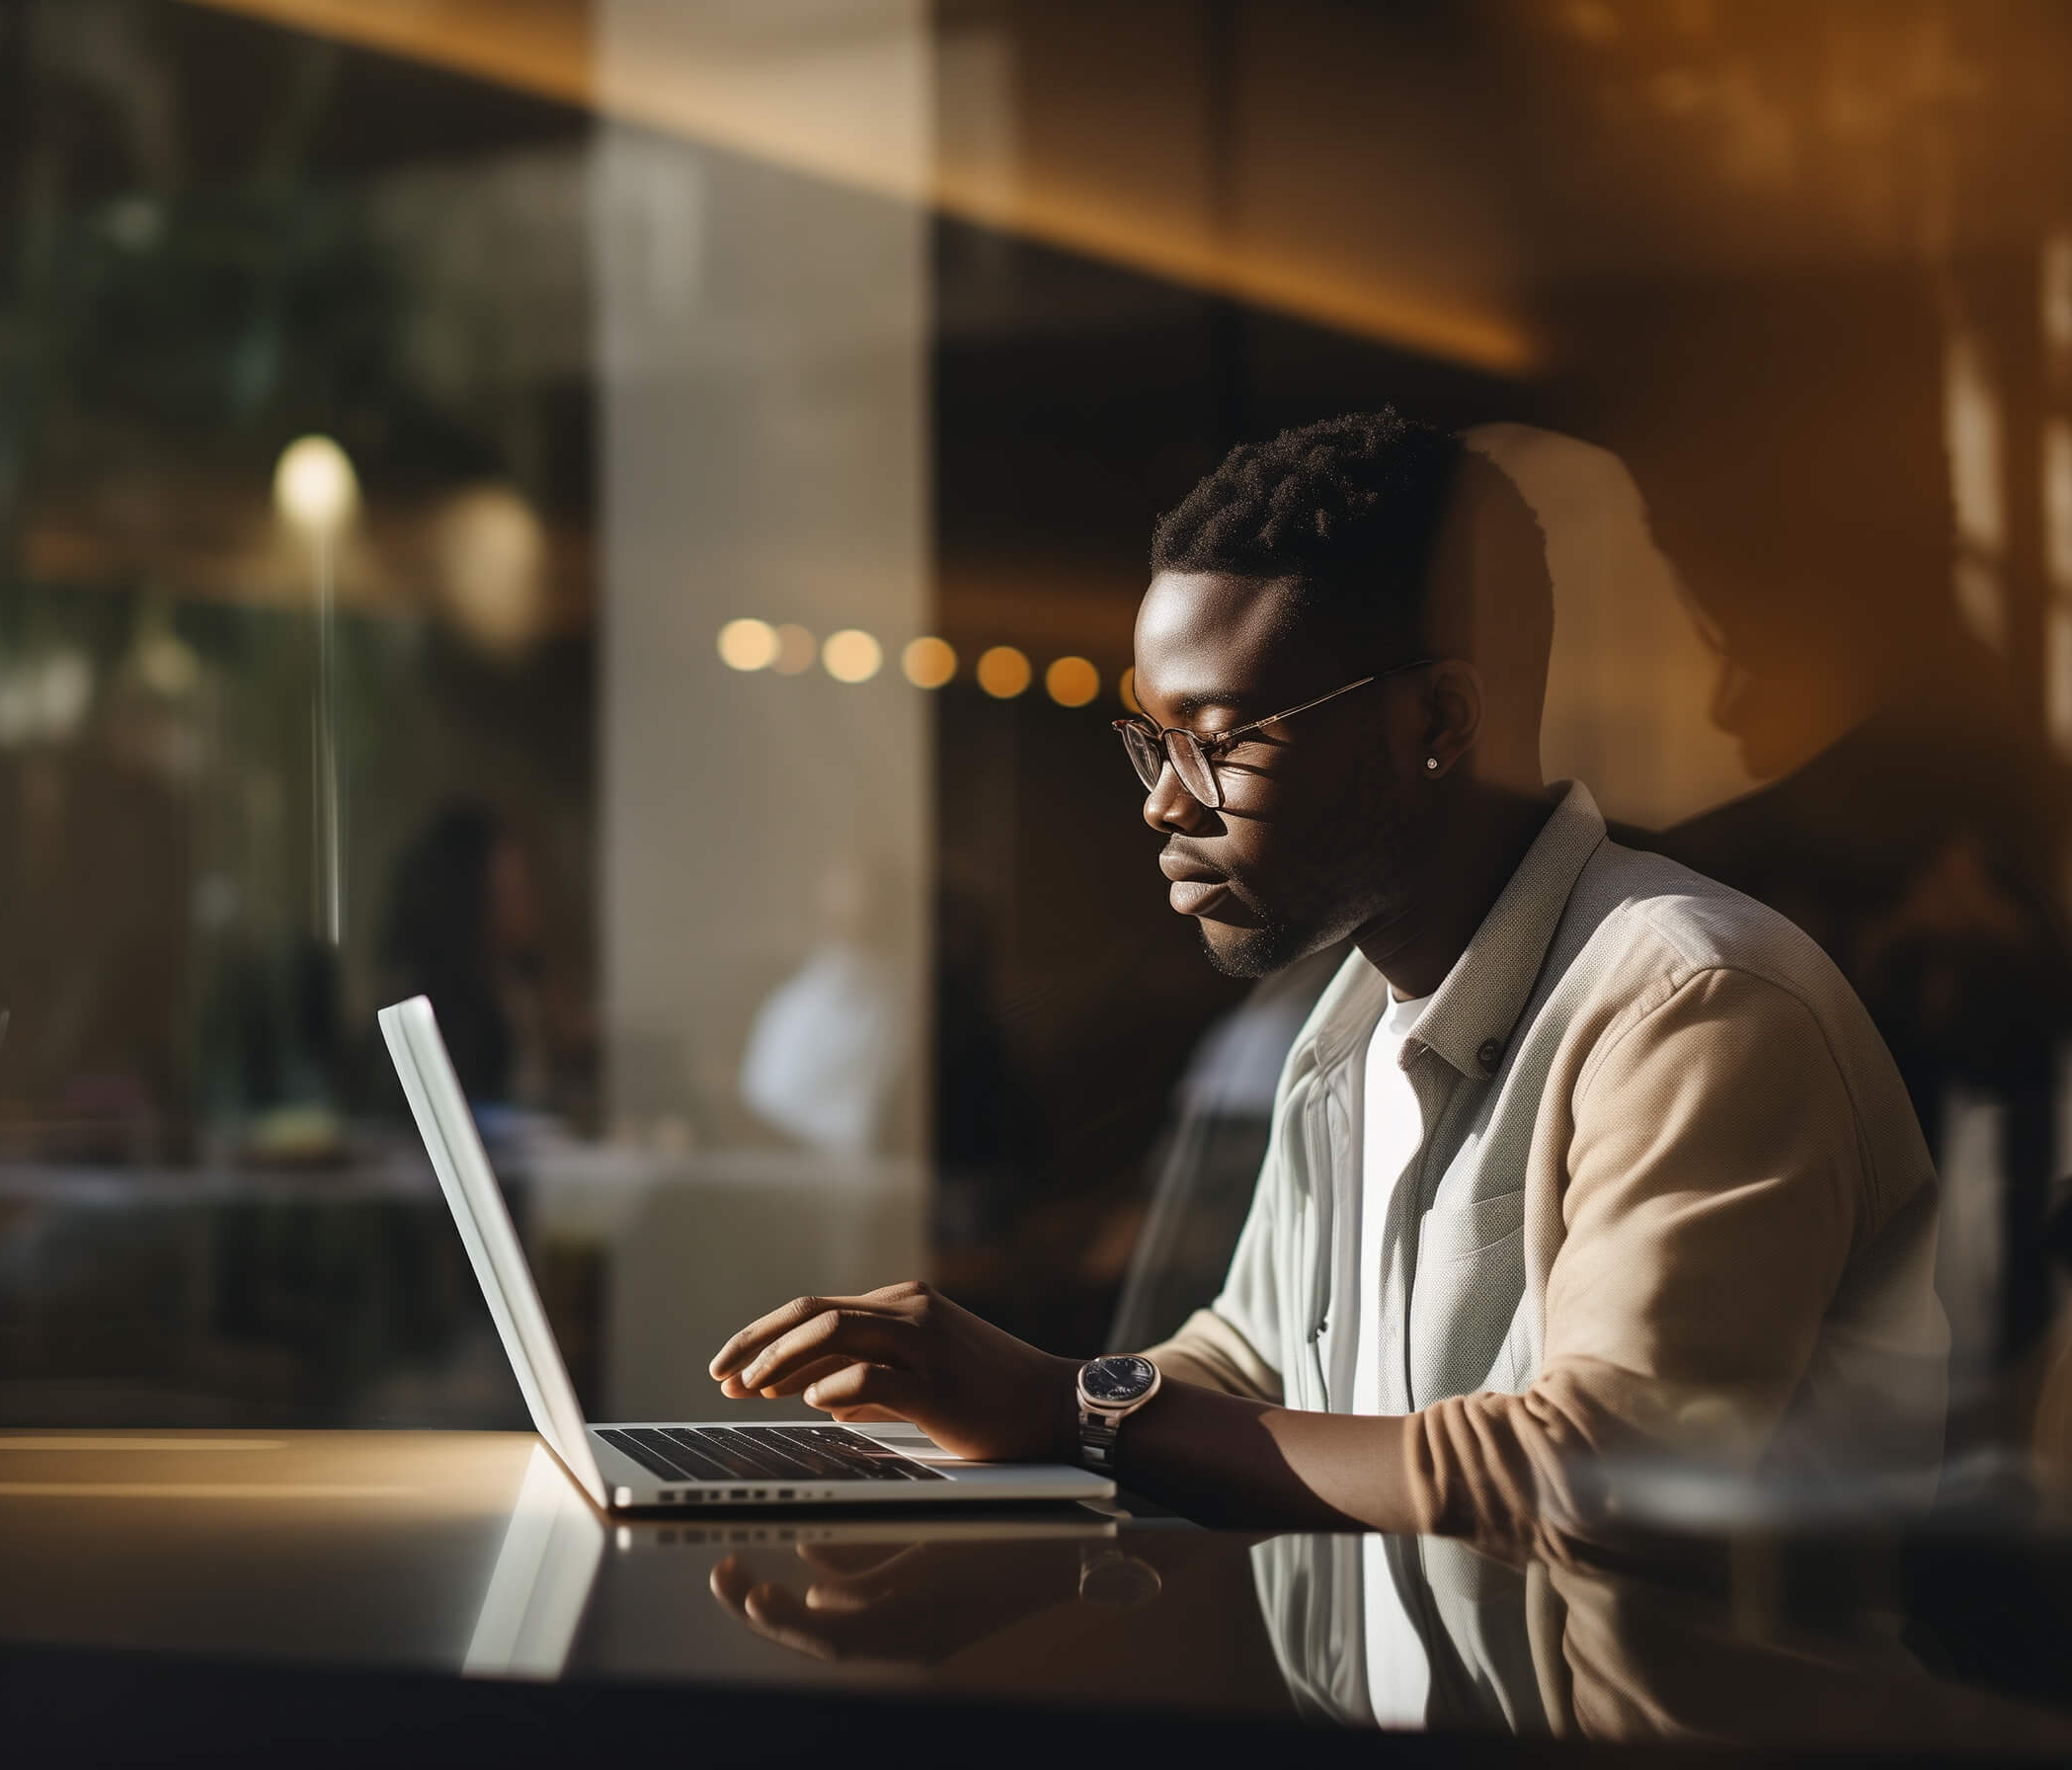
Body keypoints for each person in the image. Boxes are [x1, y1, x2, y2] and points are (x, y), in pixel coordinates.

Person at [707, 413, 1947, 1632]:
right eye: (1154, 740)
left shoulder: (1697, 1003)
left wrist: (1071, 1409)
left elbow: (1595, 1475)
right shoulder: (1347, 1018)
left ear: (1438, 725)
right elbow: (1250, 1368)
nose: (1160, 808)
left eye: (1222, 738)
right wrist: (951, 1451)